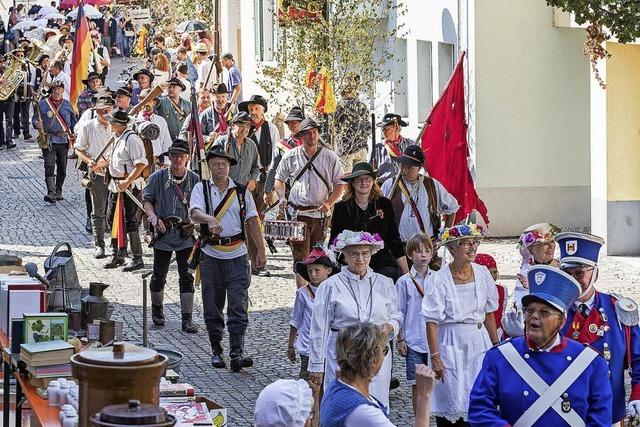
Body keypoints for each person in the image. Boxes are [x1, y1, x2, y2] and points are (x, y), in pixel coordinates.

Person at [468, 265, 613, 426]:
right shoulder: (500, 357)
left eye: (544, 312)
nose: (534, 317)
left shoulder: (591, 362)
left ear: (561, 321)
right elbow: (479, 410)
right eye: (530, 311)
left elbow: (601, 418)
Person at [189, 145, 267, 371]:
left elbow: (253, 221)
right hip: (211, 256)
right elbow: (194, 213)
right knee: (212, 307)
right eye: (216, 163)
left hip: (238, 255)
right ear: (209, 166)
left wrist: (260, 251)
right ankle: (216, 350)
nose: (220, 167)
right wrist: (209, 219)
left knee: (238, 306)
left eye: (224, 163)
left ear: (229, 166)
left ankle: (236, 352)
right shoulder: (201, 188)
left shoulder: (242, 192)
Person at [308, 230, 402, 408]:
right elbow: (319, 328)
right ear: (344, 254)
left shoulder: (385, 283)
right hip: (343, 355)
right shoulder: (330, 286)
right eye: (354, 254)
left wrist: (390, 327)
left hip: (376, 355)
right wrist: (316, 365)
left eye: (365, 253)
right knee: (344, 406)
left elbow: (397, 315)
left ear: (372, 253)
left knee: (374, 404)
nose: (360, 259)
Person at [555, 232, 640, 426]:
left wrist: (637, 394)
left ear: (595, 273)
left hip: (608, 413)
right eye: (567, 274)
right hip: (560, 412)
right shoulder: (549, 311)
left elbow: (638, 357)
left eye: (580, 273)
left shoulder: (618, 309)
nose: (573, 280)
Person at [422, 223, 499, 426]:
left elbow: (489, 312)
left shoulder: (482, 273)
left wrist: (496, 345)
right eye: (466, 243)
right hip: (450, 342)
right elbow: (431, 321)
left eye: (475, 243)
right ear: (453, 248)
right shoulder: (439, 280)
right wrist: (435, 356)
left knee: (479, 396)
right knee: (451, 398)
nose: (472, 248)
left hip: (478, 341)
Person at [319, 322, 436, 427]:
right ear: (372, 361)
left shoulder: (336, 386)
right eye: (384, 350)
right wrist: (423, 396)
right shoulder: (361, 411)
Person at [275, 118, 346, 288]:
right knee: (300, 257)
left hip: (320, 214)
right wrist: (282, 197)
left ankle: (318, 294)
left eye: (314, 132)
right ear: (301, 136)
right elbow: (279, 180)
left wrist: (329, 202)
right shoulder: (291, 156)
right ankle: (302, 295)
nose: (312, 135)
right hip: (297, 214)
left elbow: (340, 185)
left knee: (317, 256)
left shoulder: (330, 157)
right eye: (307, 132)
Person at [143, 139, 200, 334]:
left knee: (186, 276)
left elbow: (202, 205)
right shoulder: (157, 178)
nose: (177, 159)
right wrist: (152, 217)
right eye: (174, 155)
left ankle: (187, 318)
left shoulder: (195, 180)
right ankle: (157, 311)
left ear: (187, 158)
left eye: (181, 156)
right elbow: (147, 201)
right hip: (164, 233)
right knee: (159, 275)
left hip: (185, 234)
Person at [381, 145, 458, 269]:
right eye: (403, 166)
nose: (405, 170)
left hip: (425, 249)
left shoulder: (432, 185)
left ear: (420, 168)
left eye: (410, 167)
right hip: (399, 249)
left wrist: (445, 235)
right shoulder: (390, 185)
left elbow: (452, 208)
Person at [330, 162, 408, 282]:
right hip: (351, 264)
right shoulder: (341, 207)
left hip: (382, 264)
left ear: (373, 182)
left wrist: (407, 275)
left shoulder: (384, 204)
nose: (363, 182)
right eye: (359, 179)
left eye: (367, 179)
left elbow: (394, 240)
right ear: (352, 182)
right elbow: (334, 241)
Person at [103, 108, 148, 272]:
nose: (110, 124)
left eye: (112, 122)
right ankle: (117, 254)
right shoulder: (116, 137)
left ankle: (137, 258)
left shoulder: (132, 139)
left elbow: (141, 164)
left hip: (129, 187)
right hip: (115, 185)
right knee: (111, 218)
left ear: (120, 124)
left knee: (130, 220)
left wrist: (128, 181)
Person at [396, 232, 433, 414]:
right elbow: (399, 311)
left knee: (436, 383)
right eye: (418, 252)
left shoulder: (437, 279)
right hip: (414, 340)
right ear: (410, 255)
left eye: (427, 251)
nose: (423, 255)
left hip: (434, 341)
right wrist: (400, 339)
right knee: (417, 384)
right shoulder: (404, 282)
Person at [288, 245, 339, 380]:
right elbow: (296, 320)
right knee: (309, 382)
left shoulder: (335, 292)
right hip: (307, 347)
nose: (313, 274)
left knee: (328, 381)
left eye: (317, 270)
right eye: (310, 271)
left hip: (329, 346)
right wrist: (290, 346)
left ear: (328, 270)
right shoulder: (303, 294)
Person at [73, 96, 114, 258]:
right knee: (98, 211)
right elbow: (78, 149)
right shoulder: (88, 127)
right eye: (102, 111)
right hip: (98, 175)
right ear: (96, 111)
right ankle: (100, 245)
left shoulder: (118, 125)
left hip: (116, 174)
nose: (105, 114)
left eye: (108, 111)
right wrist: (90, 161)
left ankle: (117, 245)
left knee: (116, 212)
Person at [33, 80, 76, 203]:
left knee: (62, 166)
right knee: (49, 165)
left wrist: (75, 136)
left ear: (63, 90)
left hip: (63, 140)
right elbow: (35, 118)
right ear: (52, 91)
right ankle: (50, 192)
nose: (57, 91)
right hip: (49, 139)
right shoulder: (43, 104)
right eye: (55, 89)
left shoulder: (67, 105)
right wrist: (36, 123)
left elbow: (73, 122)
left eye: (59, 89)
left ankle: (59, 190)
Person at [240, 95, 280, 216]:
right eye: (251, 109)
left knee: (264, 212)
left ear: (263, 110)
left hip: (264, 177)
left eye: (256, 109)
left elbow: (276, 155)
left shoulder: (271, 128)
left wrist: (271, 180)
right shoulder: (244, 129)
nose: (253, 112)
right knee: (248, 212)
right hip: (247, 177)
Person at [512, 223, 561, 309]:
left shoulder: (563, 266)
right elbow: (520, 306)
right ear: (531, 249)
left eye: (552, 241)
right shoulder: (527, 273)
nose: (551, 246)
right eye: (545, 244)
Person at [264, 106, 304, 204]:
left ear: (302, 123)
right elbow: (274, 168)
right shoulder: (283, 145)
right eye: (289, 123)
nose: (291, 125)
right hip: (291, 187)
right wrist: (267, 190)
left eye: (294, 122)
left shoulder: (312, 141)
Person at [212, 111, 259, 189]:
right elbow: (212, 164)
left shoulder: (251, 145)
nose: (245, 129)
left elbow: (256, 166)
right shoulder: (221, 142)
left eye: (247, 126)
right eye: (241, 125)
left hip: (244, 190)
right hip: (223, 189)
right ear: (233, 125)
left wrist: (253, 180)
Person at [334, 76, 369, 173]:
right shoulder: (362, 106)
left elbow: (336, 126)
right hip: (361, 147)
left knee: (346, 180)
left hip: (346, 149)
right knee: (361, 177)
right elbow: (368, 127)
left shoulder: (340, 106)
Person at [373, 113, 416, 183]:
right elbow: (370, 171)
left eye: (387, 128)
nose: (383, 131)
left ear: (396, 128)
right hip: (385, 188)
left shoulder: (411, 145)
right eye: (382, 129)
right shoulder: (378, 148)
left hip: (406, 187)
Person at [473, 253, 508, 339]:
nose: (492, 276)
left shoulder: (502, 290)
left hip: (497, 334)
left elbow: (501, 313)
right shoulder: (472, 292)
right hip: (479, 334)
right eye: (488, 273)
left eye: (495, 272)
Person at [137, 87, 172, 167]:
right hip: (139, 163)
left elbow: (166, 143)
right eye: (142, 100)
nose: (146, 103)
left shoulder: (161, 121)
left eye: (148, 100)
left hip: (156, 162)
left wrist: (166, 163)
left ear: (154, 102)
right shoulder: (134, 120)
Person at [155, 77, 190, 142]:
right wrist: (160, 87)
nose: (171, 89)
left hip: (184, 141)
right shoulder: (161, 102)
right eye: (169, 87)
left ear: (180, 89)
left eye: (174, 87)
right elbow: (152, 99)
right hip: (167, 141)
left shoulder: (188, 105)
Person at [12, 47, 32, 141]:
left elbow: (31, 77)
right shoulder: (12, 66)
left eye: (22, 56)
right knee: (15, 112)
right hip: (15, 91)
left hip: (26, 90)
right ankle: (16, 131)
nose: (20, 57)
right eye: (18, 55)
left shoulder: (27, 65)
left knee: (26, 112)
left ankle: (26, 133)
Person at [0, 55, 16, 149]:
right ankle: (1, 141)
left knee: (9, 120)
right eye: (0, 62)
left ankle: (9, 141)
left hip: (9, 98)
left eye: (3, 62)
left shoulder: (9, 72)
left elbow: (14, 82)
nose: (2, 64)